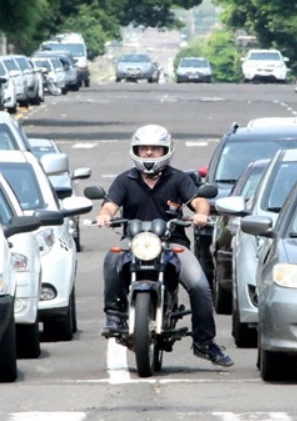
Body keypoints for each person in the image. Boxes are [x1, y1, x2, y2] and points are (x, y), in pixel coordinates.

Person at [95, 124, 234, 368]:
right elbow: (110, 205)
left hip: (173, 244)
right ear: (135, 150)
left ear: (166, 151)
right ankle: (115, 315)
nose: (149, 153)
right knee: (111, 258)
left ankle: (204, 342)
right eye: (144, 148)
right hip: (136, 242)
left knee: (201, 286)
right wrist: (104, 215)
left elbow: (199, 201)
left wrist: (201, 214)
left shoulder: (179, 179)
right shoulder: (124, 180)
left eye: (155, 149)